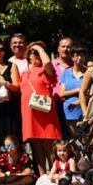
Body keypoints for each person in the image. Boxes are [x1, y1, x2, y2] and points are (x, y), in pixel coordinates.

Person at [20, 42, 63, 175]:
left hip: (45, 112)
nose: (36, 56)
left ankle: (54, 175)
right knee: (35, 146)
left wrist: (38, 47)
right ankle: (42, 176)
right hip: (29, 113)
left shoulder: (45, 71)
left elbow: (48, 63)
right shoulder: (25, 73)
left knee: (48, 144)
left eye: (38, 54)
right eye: (34, 54)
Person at [59, 46, 86, 137]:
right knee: (74, 139)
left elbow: (90, 93)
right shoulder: (66, 73)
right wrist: (78, 90)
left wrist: (78, 101)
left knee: (84, 139)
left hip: (83, 109)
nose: (79, 58)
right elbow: (61, 93)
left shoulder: (88, 73)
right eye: (76, 55)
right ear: (72, 57)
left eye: (82, 56)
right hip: (69, 110)